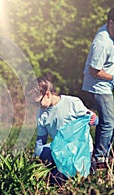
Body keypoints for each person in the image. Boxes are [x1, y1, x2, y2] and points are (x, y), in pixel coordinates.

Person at [26, 77, 98, 184]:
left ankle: (87, 169)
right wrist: (34, 161)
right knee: (44, 156)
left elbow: (93, 120)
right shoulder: (42, 114)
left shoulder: (72, 103)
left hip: (80, 150)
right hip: (62, 152)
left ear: (48, 94)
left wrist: (93, 118)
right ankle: (59, 172)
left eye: (38, 103)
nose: (37, 107)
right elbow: (41, 141)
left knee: (80, 179)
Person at [82, 7, 114, 167]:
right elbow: (94, 71)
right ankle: (100, 159)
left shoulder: (111, 32)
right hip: (98, 85)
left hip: (108, 82)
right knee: (108, 122)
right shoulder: (102, 43)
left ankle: (107, 153)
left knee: (109, 121)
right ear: (111, 23)